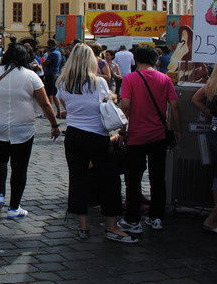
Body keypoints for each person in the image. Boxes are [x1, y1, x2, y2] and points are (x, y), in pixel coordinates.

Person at [55, 44, 136, 243]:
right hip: (97, 135)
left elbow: (65, 106)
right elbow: (106, 103)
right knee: (109, 179)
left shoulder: (63, 82)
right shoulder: (98, 82)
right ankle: (111, 226)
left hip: (74, 135)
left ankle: (83, 226)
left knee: (78, 179)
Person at [0, 44, 59, 220]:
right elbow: (45, 103)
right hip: (22, 125)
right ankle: (14, 207)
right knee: (19, 167)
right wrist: (54, 124)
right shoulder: (31, 76)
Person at [118, 46, 180, 233]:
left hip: (136, 135)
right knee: (157, 177)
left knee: (134, 178)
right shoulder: (165, 78)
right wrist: (177, 130)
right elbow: (175, 106)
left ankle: (132, 219)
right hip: (158, 135)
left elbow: (126, 105)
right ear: (156, 60)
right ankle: (157, 217)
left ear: (136, 60)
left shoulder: (129, 78)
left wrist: (123, 128)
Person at [190, 69, 217, 233]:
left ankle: (213, 217)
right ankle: (212, 218)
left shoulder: (212, 84)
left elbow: (195, 99)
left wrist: (211, 113)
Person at [43, 39, 64, 119]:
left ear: (50, 44)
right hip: (56, 74)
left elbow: (46, 63)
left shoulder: (52, 53)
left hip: (50, 75)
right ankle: (58, 112)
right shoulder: (58, 52)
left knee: (49, 94)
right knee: (55, 94)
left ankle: (50, 112)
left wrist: (43, 63)